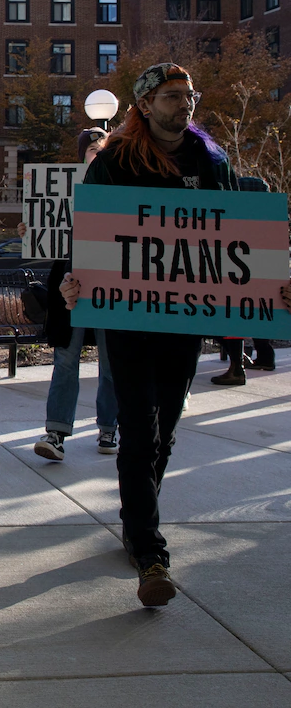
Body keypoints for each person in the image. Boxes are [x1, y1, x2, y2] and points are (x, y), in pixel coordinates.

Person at [59, 63, 239, 607]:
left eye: (189, 95)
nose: (184, 104)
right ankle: (149, 550)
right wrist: (76, 282)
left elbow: (238, 236)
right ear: (144, 104)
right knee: (139, 428)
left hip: (185, 319)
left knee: (165, 429)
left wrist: (271, 285)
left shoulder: (211, 161)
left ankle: (138, 513)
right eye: (171, 96)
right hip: (128, 319)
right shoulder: (115, 161)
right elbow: (90, 236)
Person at [33, 128, 120, 461]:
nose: (98, 155)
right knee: (66, 360)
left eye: (103, 149)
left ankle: (108, 428)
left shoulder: (119, 187)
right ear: (82, 155)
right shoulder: (64, 190)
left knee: (111, 362)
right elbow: (51, 237)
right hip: (68, 282)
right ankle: (56, 432)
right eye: (93, 150)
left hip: (109, 283)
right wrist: (33, 229)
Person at [211, 175, 277, 385]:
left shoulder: (230, 210)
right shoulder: (265, 215)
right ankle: (263, 356)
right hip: (260, 265)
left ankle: (237, 365)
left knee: (228, 316)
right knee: (256, 309)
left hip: (234, 267)